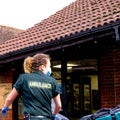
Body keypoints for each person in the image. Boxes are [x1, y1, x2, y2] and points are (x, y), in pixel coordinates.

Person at [1, 53, 62, 120]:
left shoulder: (24, 78)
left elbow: (9, 99)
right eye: (49, 66)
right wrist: (53, 115)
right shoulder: (52, 81)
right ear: (42, 67)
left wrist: (5, 107)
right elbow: (58, 105)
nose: (50, 69)